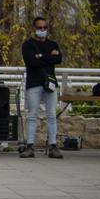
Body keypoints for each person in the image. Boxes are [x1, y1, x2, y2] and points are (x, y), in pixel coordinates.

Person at [20, 16, 63, 159]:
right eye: (39, 27)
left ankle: (53, 146)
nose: (42, 30)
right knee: (32, 115)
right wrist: (47, 57)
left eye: (45, 27)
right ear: (34, 29)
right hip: (34, 83)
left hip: (50, 83)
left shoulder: (53, 43)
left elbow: (58, 59)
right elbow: (30, 61)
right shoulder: (28, 45)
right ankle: (30, 146)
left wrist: (40, 56)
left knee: (51, 115)